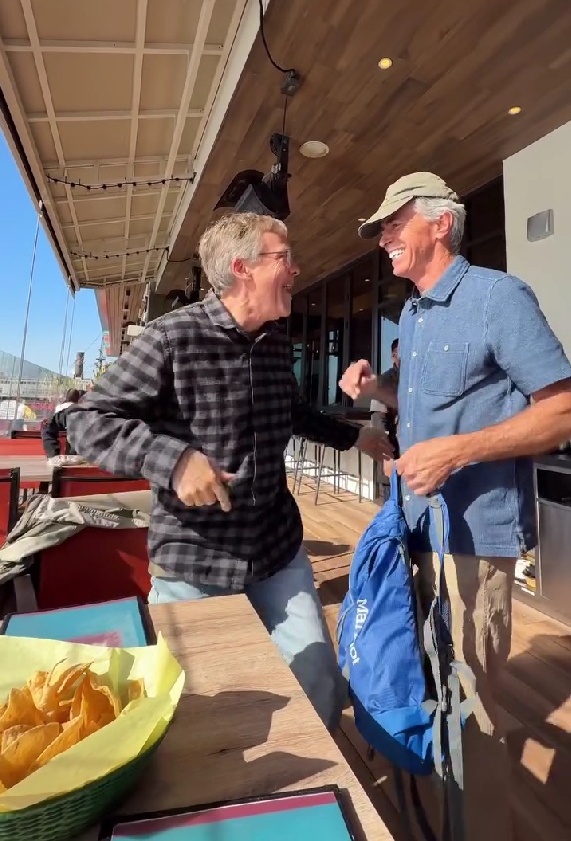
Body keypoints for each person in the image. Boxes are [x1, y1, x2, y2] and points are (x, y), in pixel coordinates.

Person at [68, 213, 393, 731]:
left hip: (276, 549)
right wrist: (174, 462)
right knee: (201, 718)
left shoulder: (275, 341)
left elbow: (296, 414)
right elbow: (87, 420)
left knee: (319, 686)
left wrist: (358, 438)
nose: (296, 269)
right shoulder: (171, 337)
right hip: (194, 562)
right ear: (243, 268)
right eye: (284, 258)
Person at [339, 171, 571, 841]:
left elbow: (560, 411)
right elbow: (431, 406)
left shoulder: (498, 297)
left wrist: (457, 452)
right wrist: (378, 392)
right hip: (411, 533)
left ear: (440, 223)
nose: (383, 238)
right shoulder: (413, 315)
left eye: (394, 223)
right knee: (419, 688)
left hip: (471, 543)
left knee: (471, 714)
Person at [370, 337, 399, 455]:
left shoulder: (419, 379)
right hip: (397, 447)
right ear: (394, 355)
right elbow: (378, 417)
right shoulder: (384, 381)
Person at [41, 388, 85, 462]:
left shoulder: (61, 407)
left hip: (64, 420)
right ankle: (74, 454)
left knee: (47, 427)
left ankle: (54, 456)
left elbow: (51, 421)